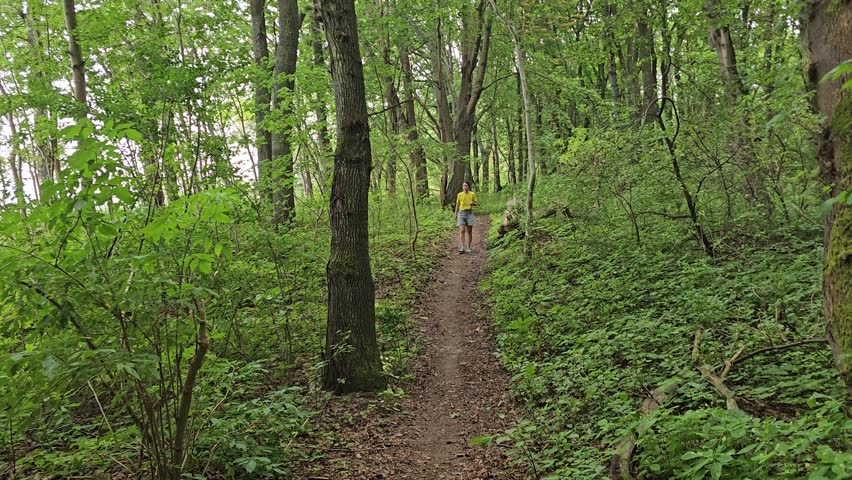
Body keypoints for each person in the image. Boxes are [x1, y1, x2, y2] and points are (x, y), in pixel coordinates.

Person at [455, 181, 477, 254]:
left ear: (468, 187)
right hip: (461, 213)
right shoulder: (459, 195)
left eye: (466, 186)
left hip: (469, 213)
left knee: (469, 231)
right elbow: (457, 205)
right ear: (462, 187)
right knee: (462, 230)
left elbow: (476, 203)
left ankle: (468, 247)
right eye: (464, 186)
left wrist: (472, 203)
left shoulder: (472, 194)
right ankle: (462, 247)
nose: (465, 187)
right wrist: (455, 214)